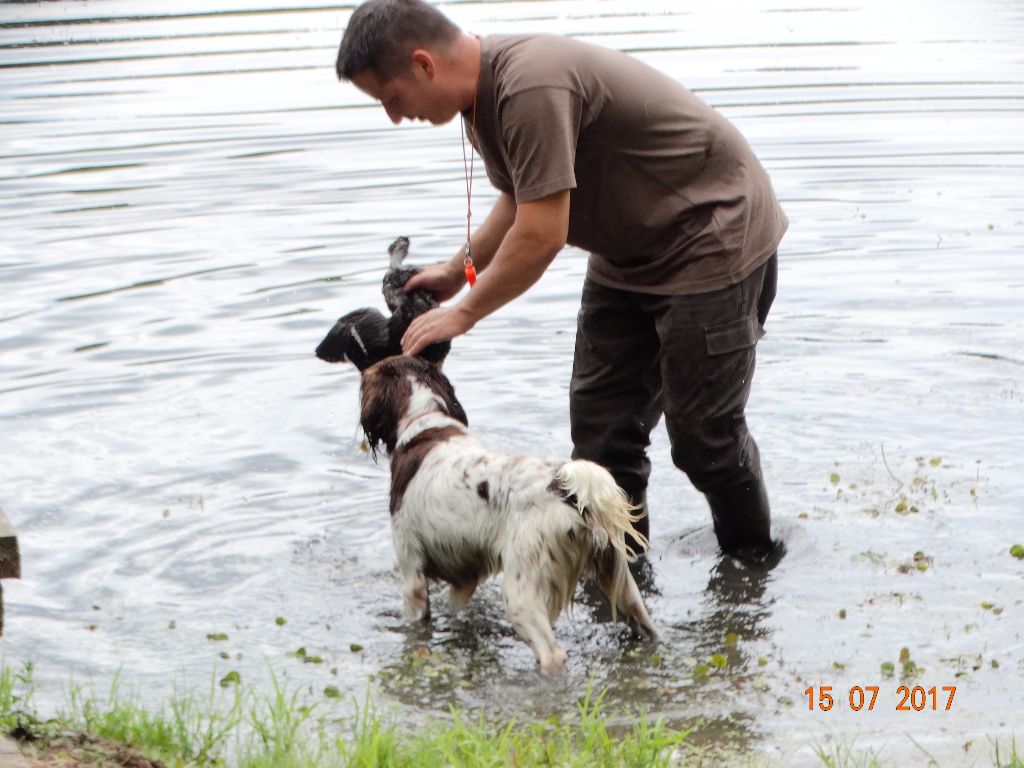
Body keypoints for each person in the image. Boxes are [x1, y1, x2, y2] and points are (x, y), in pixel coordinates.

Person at [335, 0, 788, 561]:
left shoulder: (528, 87)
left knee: (705, 440)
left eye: (390, 98)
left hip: (712, 238)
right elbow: (521, 197)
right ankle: (622, 579)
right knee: (601, 443)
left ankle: (752, 566)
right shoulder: (479, 102)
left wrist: (464, 312)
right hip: (627, 253)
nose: (393, 116)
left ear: (424, 65)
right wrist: (458, 270)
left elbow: (542, 234)